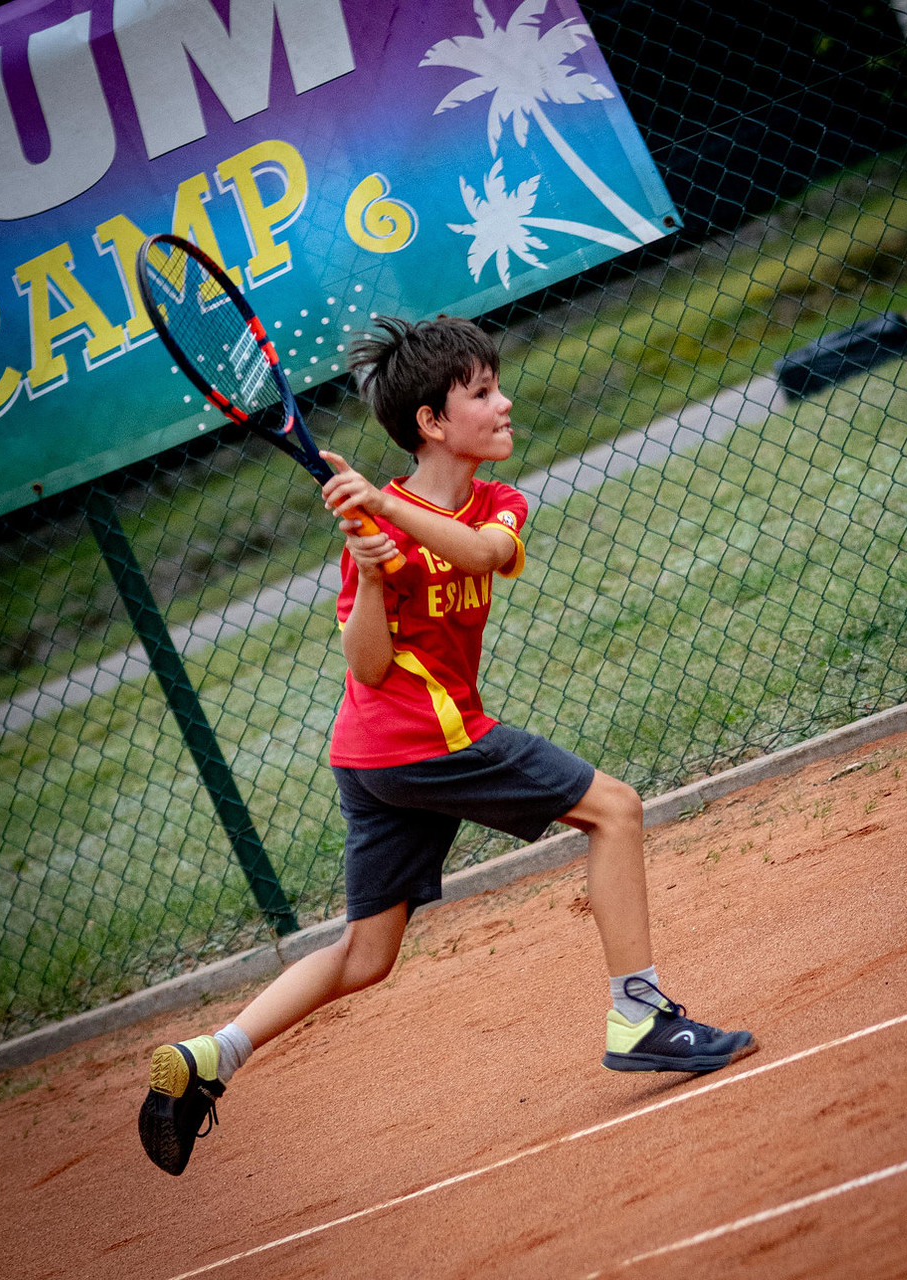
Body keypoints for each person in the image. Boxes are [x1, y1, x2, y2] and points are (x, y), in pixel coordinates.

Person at [138, 316, 756, 1176]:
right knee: (614, 810)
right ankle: (640, 1017)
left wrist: (385, 509)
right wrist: (371, 574)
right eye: (481, 393)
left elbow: (481, 552)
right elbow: (367, 663)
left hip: (373, 760)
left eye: (496, 387)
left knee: (366, 954)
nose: (503, 405)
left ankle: (211, 1056)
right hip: (423, 740)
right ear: (431, 421)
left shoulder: (495, 503)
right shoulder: (380, 531)